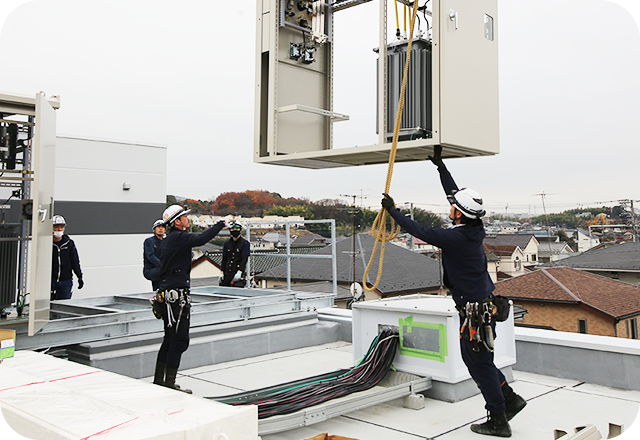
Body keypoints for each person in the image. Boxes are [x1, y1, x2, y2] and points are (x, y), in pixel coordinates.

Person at [381, 146, 526, 438]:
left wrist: (392, 211)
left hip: (475, 313)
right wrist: (440, 166)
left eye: (453, 207)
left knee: (479, 364)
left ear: (458, 214)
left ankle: (499, 419)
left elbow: (419, 230)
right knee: (480, 360)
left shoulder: (456, 238)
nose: (449, 208)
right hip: (481, 307)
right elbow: (455, 193)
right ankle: (508, 399)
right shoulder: (474, 228)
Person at [152, 205, 225, 393]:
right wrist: (219, 225)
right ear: (177, 221)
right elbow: (201, 239)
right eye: (184, 216)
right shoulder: (179, 237)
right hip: (177, 297)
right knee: (179, 340)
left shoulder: (168, 240)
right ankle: (168, 382)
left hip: (168, 294)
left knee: (169, 339)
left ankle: (159, 380)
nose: (187, 218)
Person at [51, 215, 83, 300]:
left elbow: (75, 261)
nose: (59, 229)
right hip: (51, 280)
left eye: (61, 227)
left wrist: (79, 277)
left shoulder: (69, 243)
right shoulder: (47, 243)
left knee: (63, 304)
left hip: (65, 281)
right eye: (56, 227)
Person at [220, 221, 250, 288]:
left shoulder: (245, 243)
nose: (234, 231)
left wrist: (240, 271)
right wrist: (222, 271)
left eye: (237, 229)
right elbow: (224, 258)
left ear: (240, 230)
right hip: (227, 272)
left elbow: (244, 259)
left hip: (238, 272)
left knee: (237, 290)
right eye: (232, 229)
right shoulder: (227, 243)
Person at [143, 219, 165, 291]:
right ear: (154, 230)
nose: (161, 228)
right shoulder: (149, 241)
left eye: (163, 227)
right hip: (150, 269)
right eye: (158, 227)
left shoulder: (166, 242)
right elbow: (150, 256)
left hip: (162, 269)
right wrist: (163, 265)